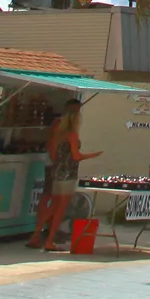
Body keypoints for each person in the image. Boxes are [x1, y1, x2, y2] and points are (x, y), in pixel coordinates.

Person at [28, 99, 100, 251]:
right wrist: (92, 155)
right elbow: (76, 156)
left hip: (58, 171)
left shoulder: (59, 132)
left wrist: (59, 163)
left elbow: (53, 152)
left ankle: (36, 234)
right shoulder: (72, 134)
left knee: (53, 206)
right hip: (69, 173)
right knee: (61, 208)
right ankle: (50, 240)